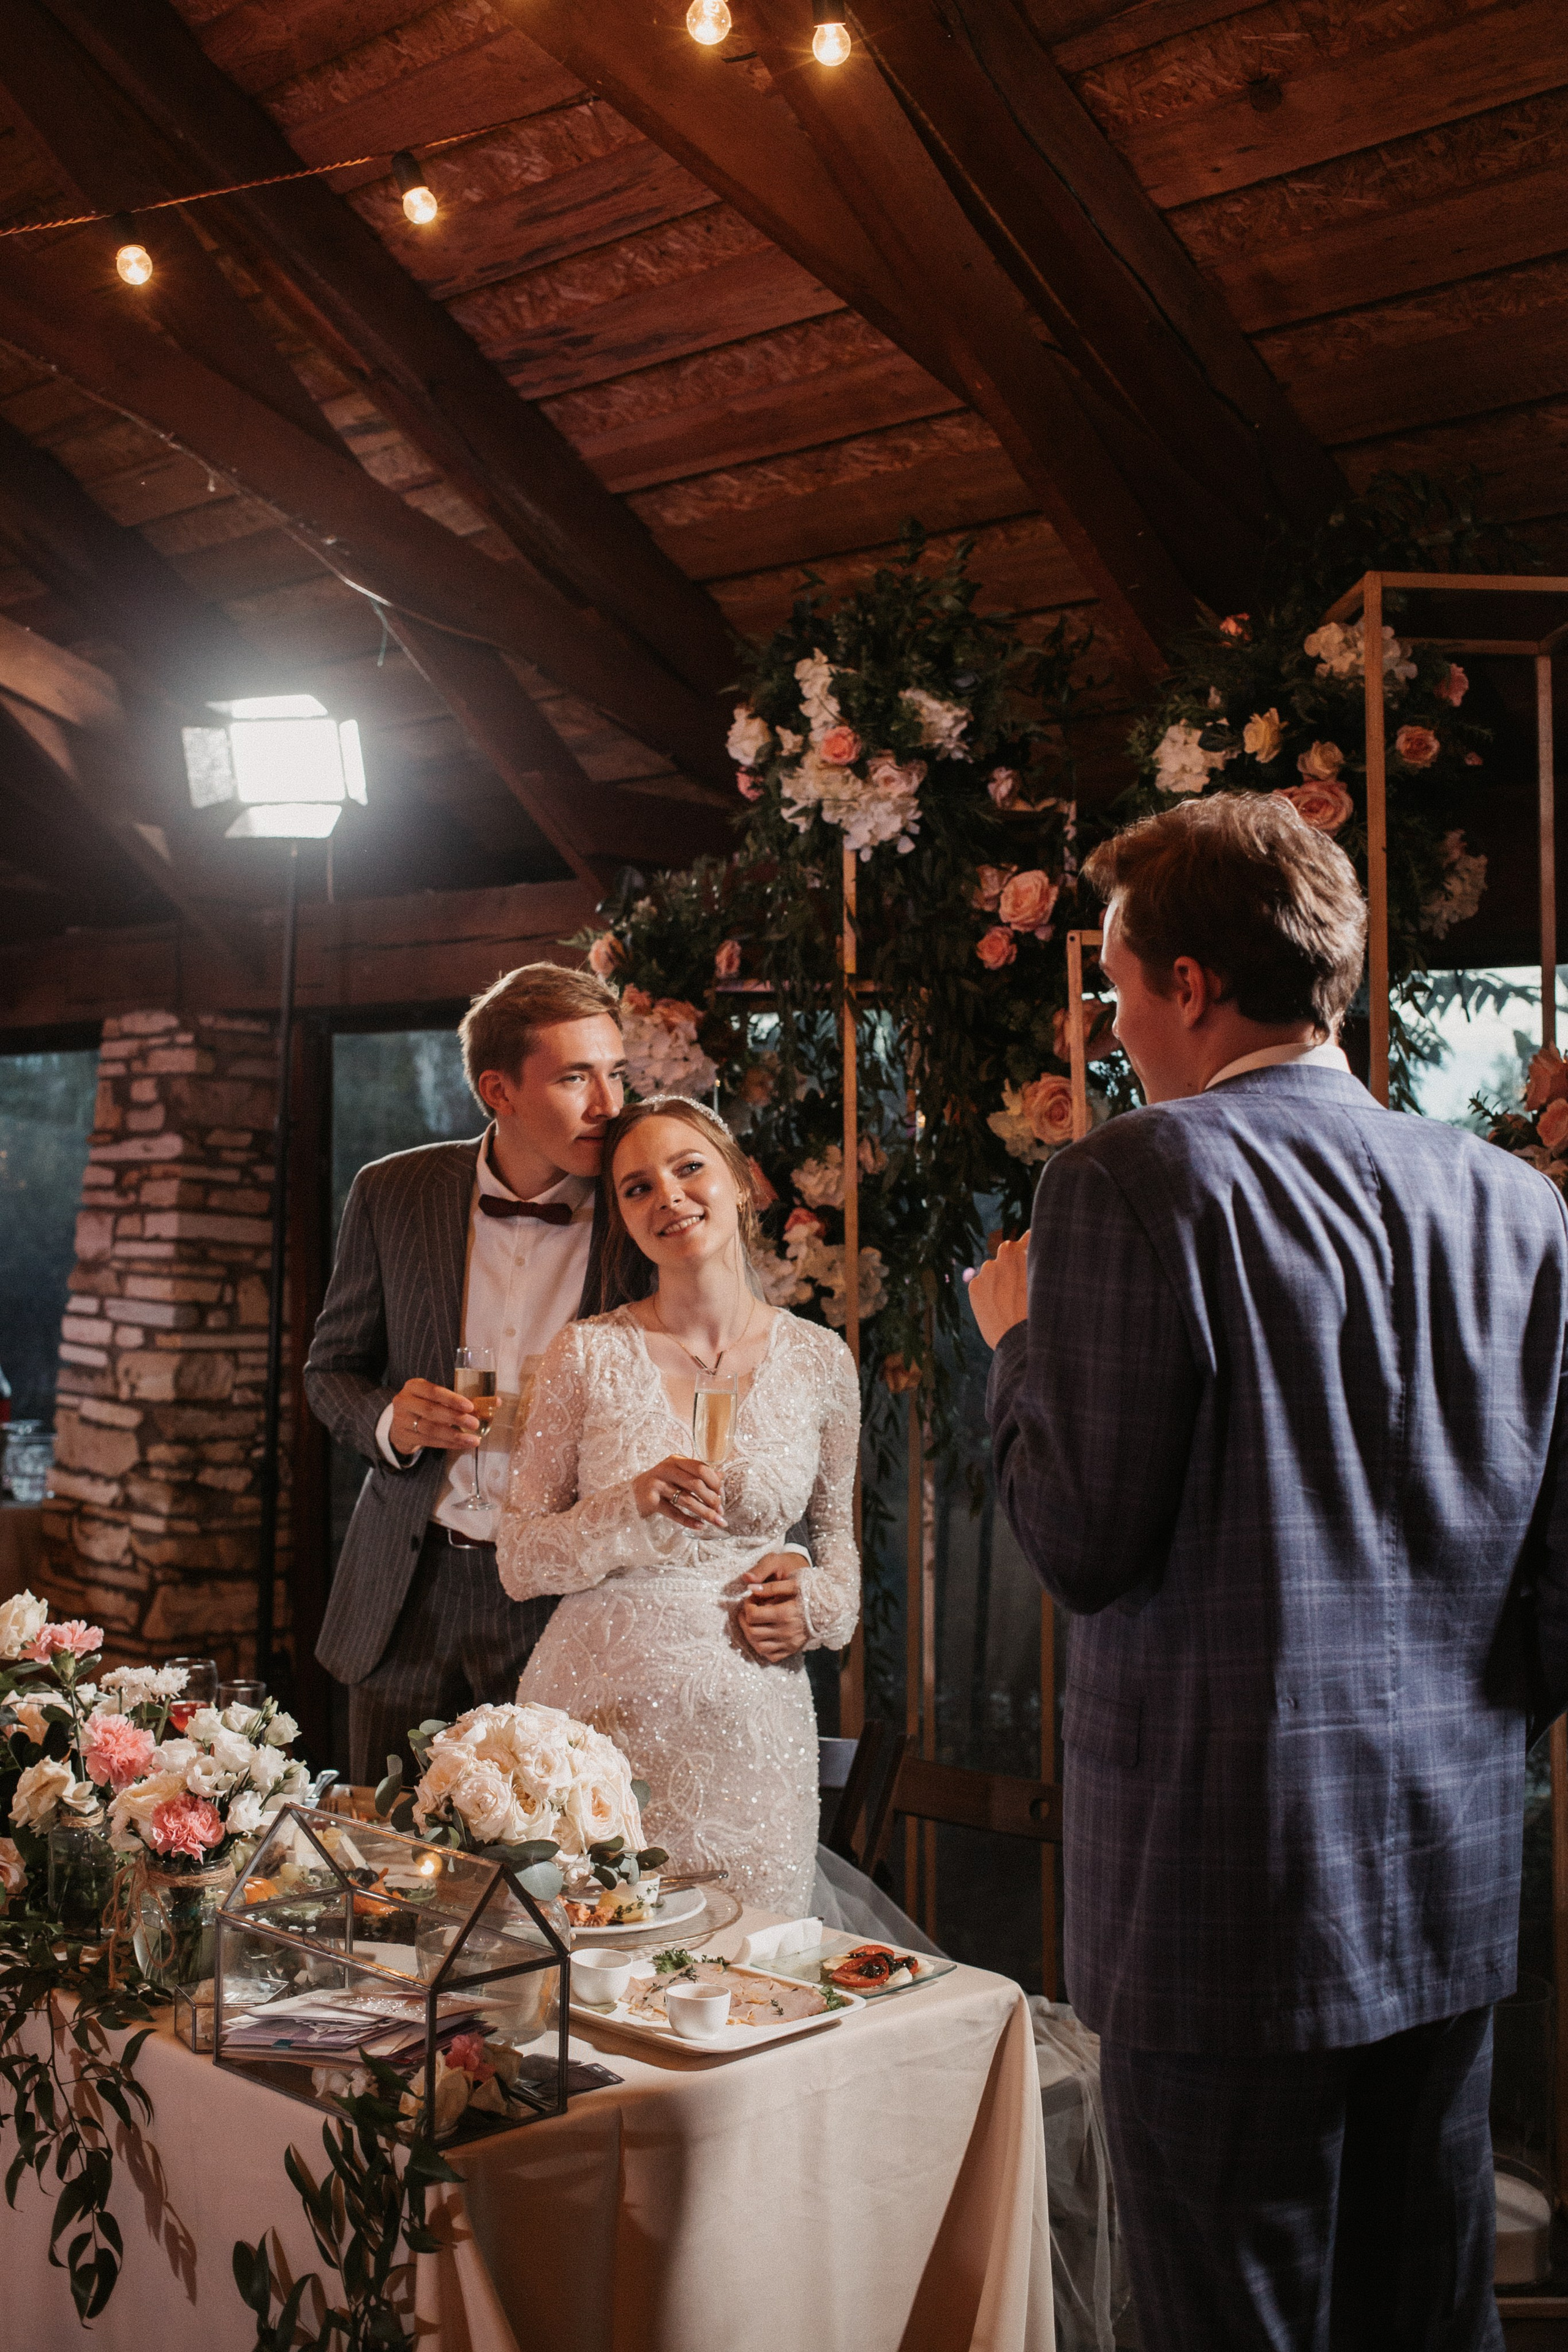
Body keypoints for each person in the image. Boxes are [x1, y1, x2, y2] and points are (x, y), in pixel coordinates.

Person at [968, 792, 1568, 2352]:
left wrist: (1015, 1347)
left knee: (1223, 2322)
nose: (1106, 1028)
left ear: (1186, 986)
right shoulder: (1513, 1203)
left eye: (1111, 984)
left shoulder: (1130, 1180)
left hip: (1215, 1885)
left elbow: (1083, 1543)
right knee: (1425, 2318)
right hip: (1447, 1866)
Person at [496, 1094, 861, 1912]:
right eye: (636, 1188)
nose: (668, 1196)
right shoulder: (584, 1354)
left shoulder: (822, 1362)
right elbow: (519, 1560)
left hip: (752, 1744)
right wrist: (628, 1503)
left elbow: (841, 1558)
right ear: (623, 1218)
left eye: (689, 1167)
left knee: (754, 1986)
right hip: (592, 1736)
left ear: (741, 1181)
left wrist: (814, 1606)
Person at [305, 963, 628, 1787]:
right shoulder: (392, 1191)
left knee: (543, 1869)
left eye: (616, 1073)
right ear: (500, 1089)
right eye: (575, 1077)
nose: (609, 1104)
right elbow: (330, 1372)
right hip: (406, 1587)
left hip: (562, 1598)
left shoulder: (642, 1210)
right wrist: (390, 1423)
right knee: (382, 1867)